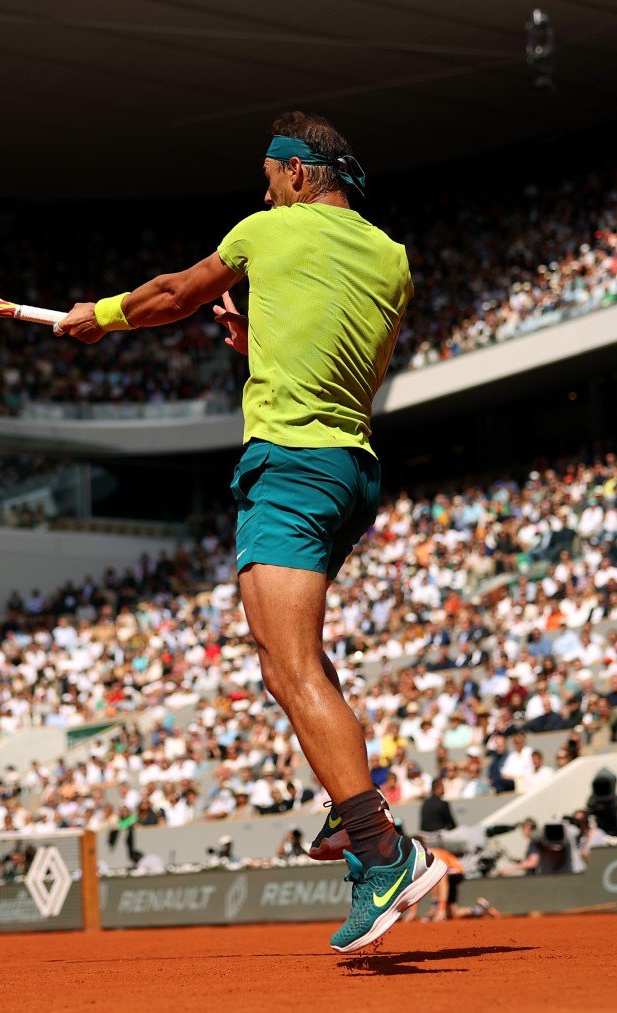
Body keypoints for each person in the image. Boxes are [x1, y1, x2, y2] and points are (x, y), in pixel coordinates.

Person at [57, 111, 421, 955]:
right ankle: (355, 809)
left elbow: (173, 296)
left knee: (289, 664)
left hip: (290, 466)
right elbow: (353, 367)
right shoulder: (392, 257)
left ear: (299, 172)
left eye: (269, 175)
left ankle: (382, 852)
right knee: (284, 657)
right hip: (350, 466)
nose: (262, 190)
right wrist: (256, 343)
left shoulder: (268, 227)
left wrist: (98, 315)